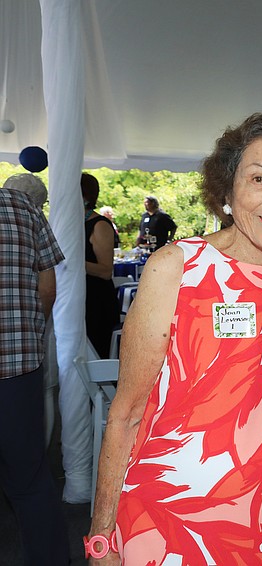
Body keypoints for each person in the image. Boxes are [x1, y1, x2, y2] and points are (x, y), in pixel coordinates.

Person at [86, 112, 262, 565]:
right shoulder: (178, 268)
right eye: (259, 178)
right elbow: (125, 414)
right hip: (178, 516)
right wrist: (102, 536)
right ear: (226, 190)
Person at [0, 186, 69, 565]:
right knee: (28, 480)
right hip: (17, 366)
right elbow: (48, 285)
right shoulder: (21, 207)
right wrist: (30, 331)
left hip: (18, 364)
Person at [82, 173, 120, 359]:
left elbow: (106, 270)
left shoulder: (100, 225)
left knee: (98, 352)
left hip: (97, 300)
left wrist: (75, 264)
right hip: (80, 297)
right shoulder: (73, 223)